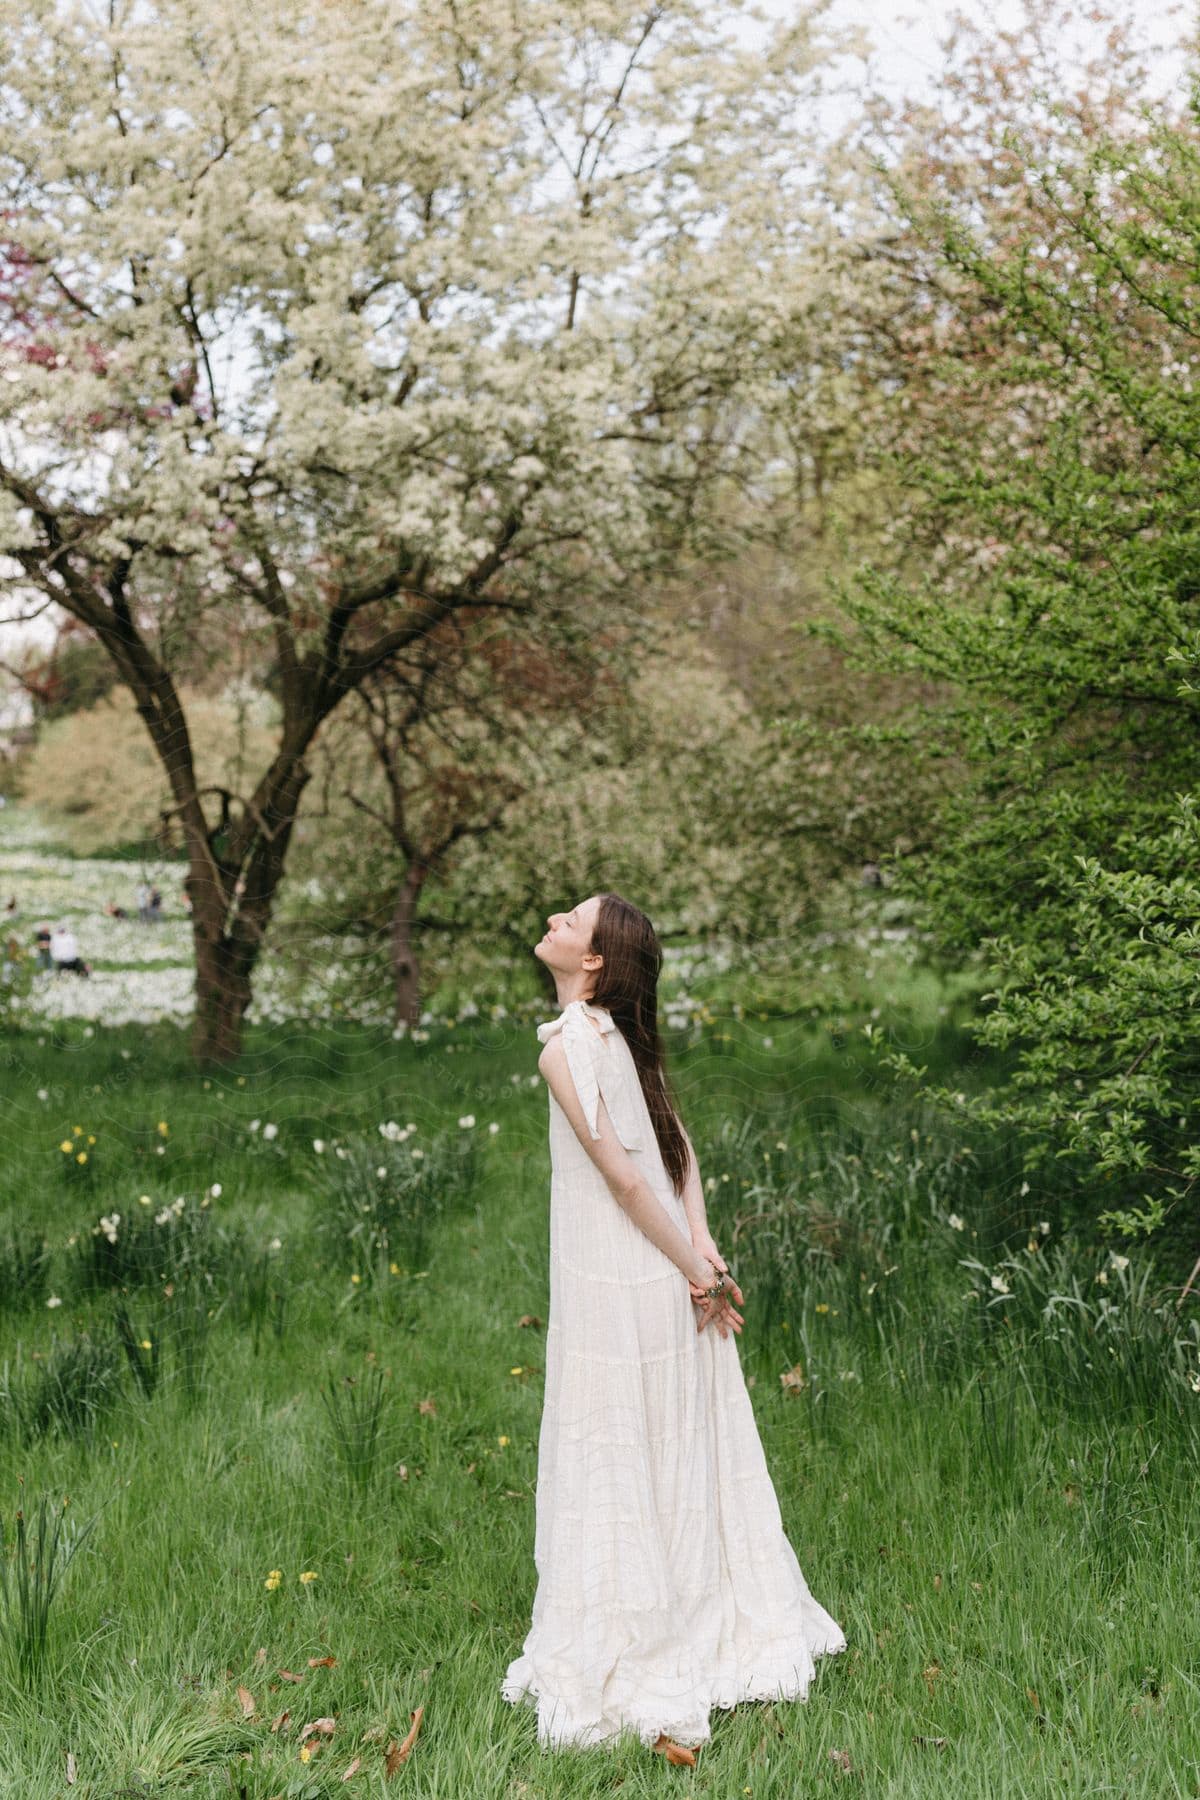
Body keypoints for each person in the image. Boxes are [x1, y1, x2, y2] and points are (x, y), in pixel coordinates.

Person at [501, 893, 846, 1754]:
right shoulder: (618, 1040)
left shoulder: (570, 1049)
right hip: (661, 1271)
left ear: (594, 965)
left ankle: (644, 1629)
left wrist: (697, 1263)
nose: (553, 919)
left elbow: (629, 1176)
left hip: (622, 1279)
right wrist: (698, 1247)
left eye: (570, 921)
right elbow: (679, 1150)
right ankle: (691, 1609)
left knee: (616, 1443)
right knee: (672, 1447)